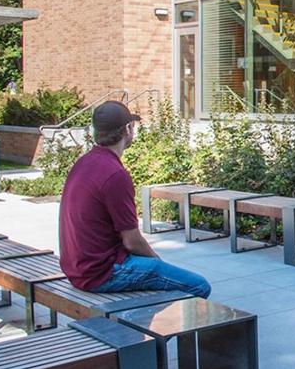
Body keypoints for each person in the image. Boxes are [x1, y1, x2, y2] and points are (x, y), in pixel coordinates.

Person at [59, 100, 211, 297]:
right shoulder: (114, 174)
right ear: (128, 129)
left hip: (76, 268)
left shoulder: (84, 162)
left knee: (163, 275)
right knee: (198, 286)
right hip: (102, 273)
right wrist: (157, 262)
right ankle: (164, 327)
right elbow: (132, 241)